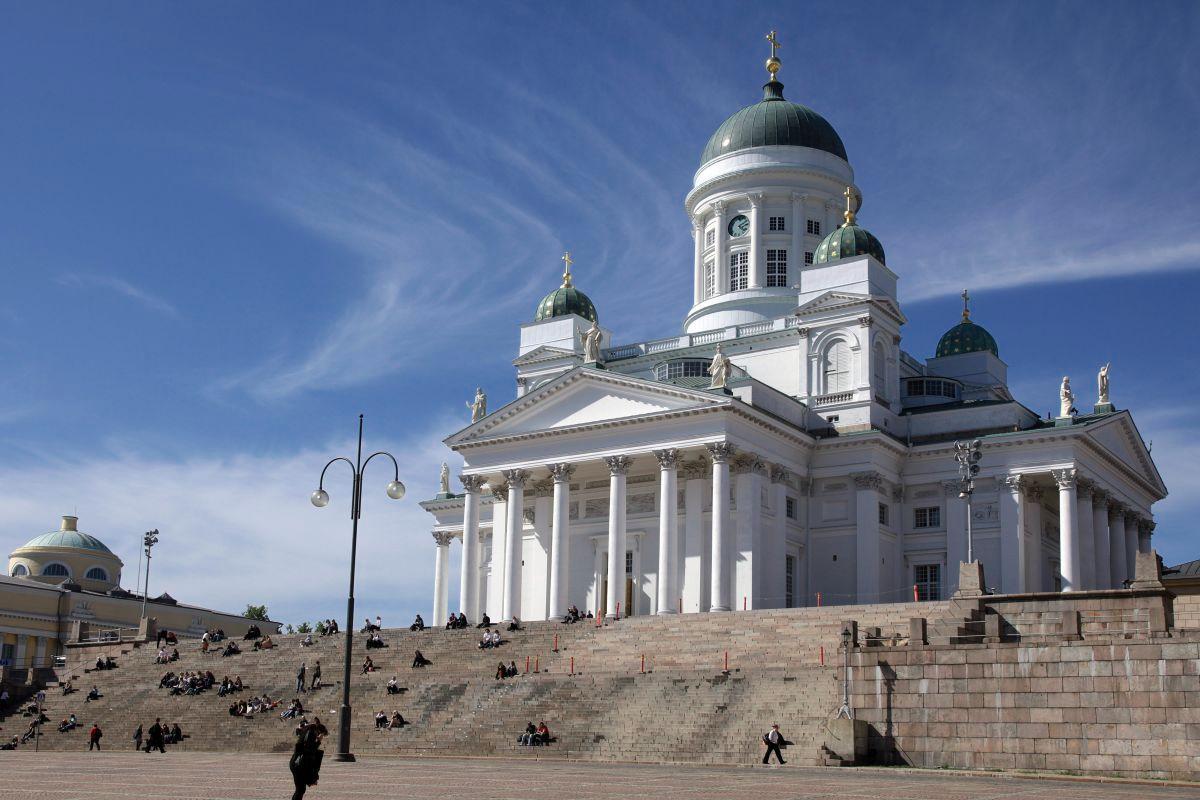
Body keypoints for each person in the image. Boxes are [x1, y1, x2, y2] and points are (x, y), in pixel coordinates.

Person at [288, 717, 327, 800]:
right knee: (300, 789)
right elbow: (309, 750)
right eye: (322, 734)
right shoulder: (311, 733)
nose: (320, 736)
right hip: (300, 764)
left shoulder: (308, 731)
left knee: (300, 789)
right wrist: (318, 741)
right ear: (319, 731)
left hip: (297, 763)